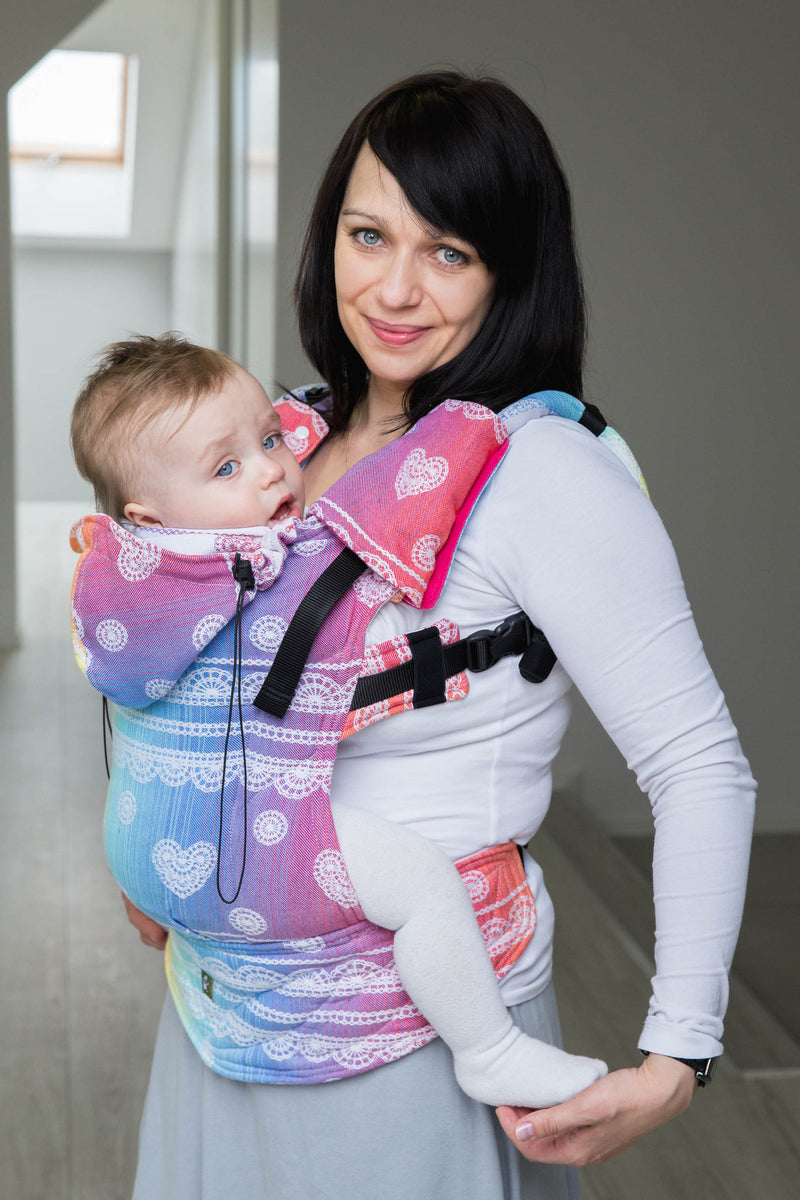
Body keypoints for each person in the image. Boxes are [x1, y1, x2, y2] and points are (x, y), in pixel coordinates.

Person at [112, 71, 755, 1200]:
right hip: (221, 1023)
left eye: (448, 252)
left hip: (403, 1048)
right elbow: (162, 653)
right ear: (330, 241)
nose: (396, 288)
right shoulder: (274, 445)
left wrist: (679, 1053)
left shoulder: (541, 471)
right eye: (370, 236)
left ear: (509, 269)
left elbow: (697, 765)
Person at [69, 331, 608, 1112]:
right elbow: (404, 491)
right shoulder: (251, 560)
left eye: (269, 438)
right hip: (253, 844)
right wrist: (492, 418)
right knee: (423, 884)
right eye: (226, 468)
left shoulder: (112, 579)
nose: (267, 469)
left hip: (141, 840)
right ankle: (489, 1050)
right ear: (148, 516)